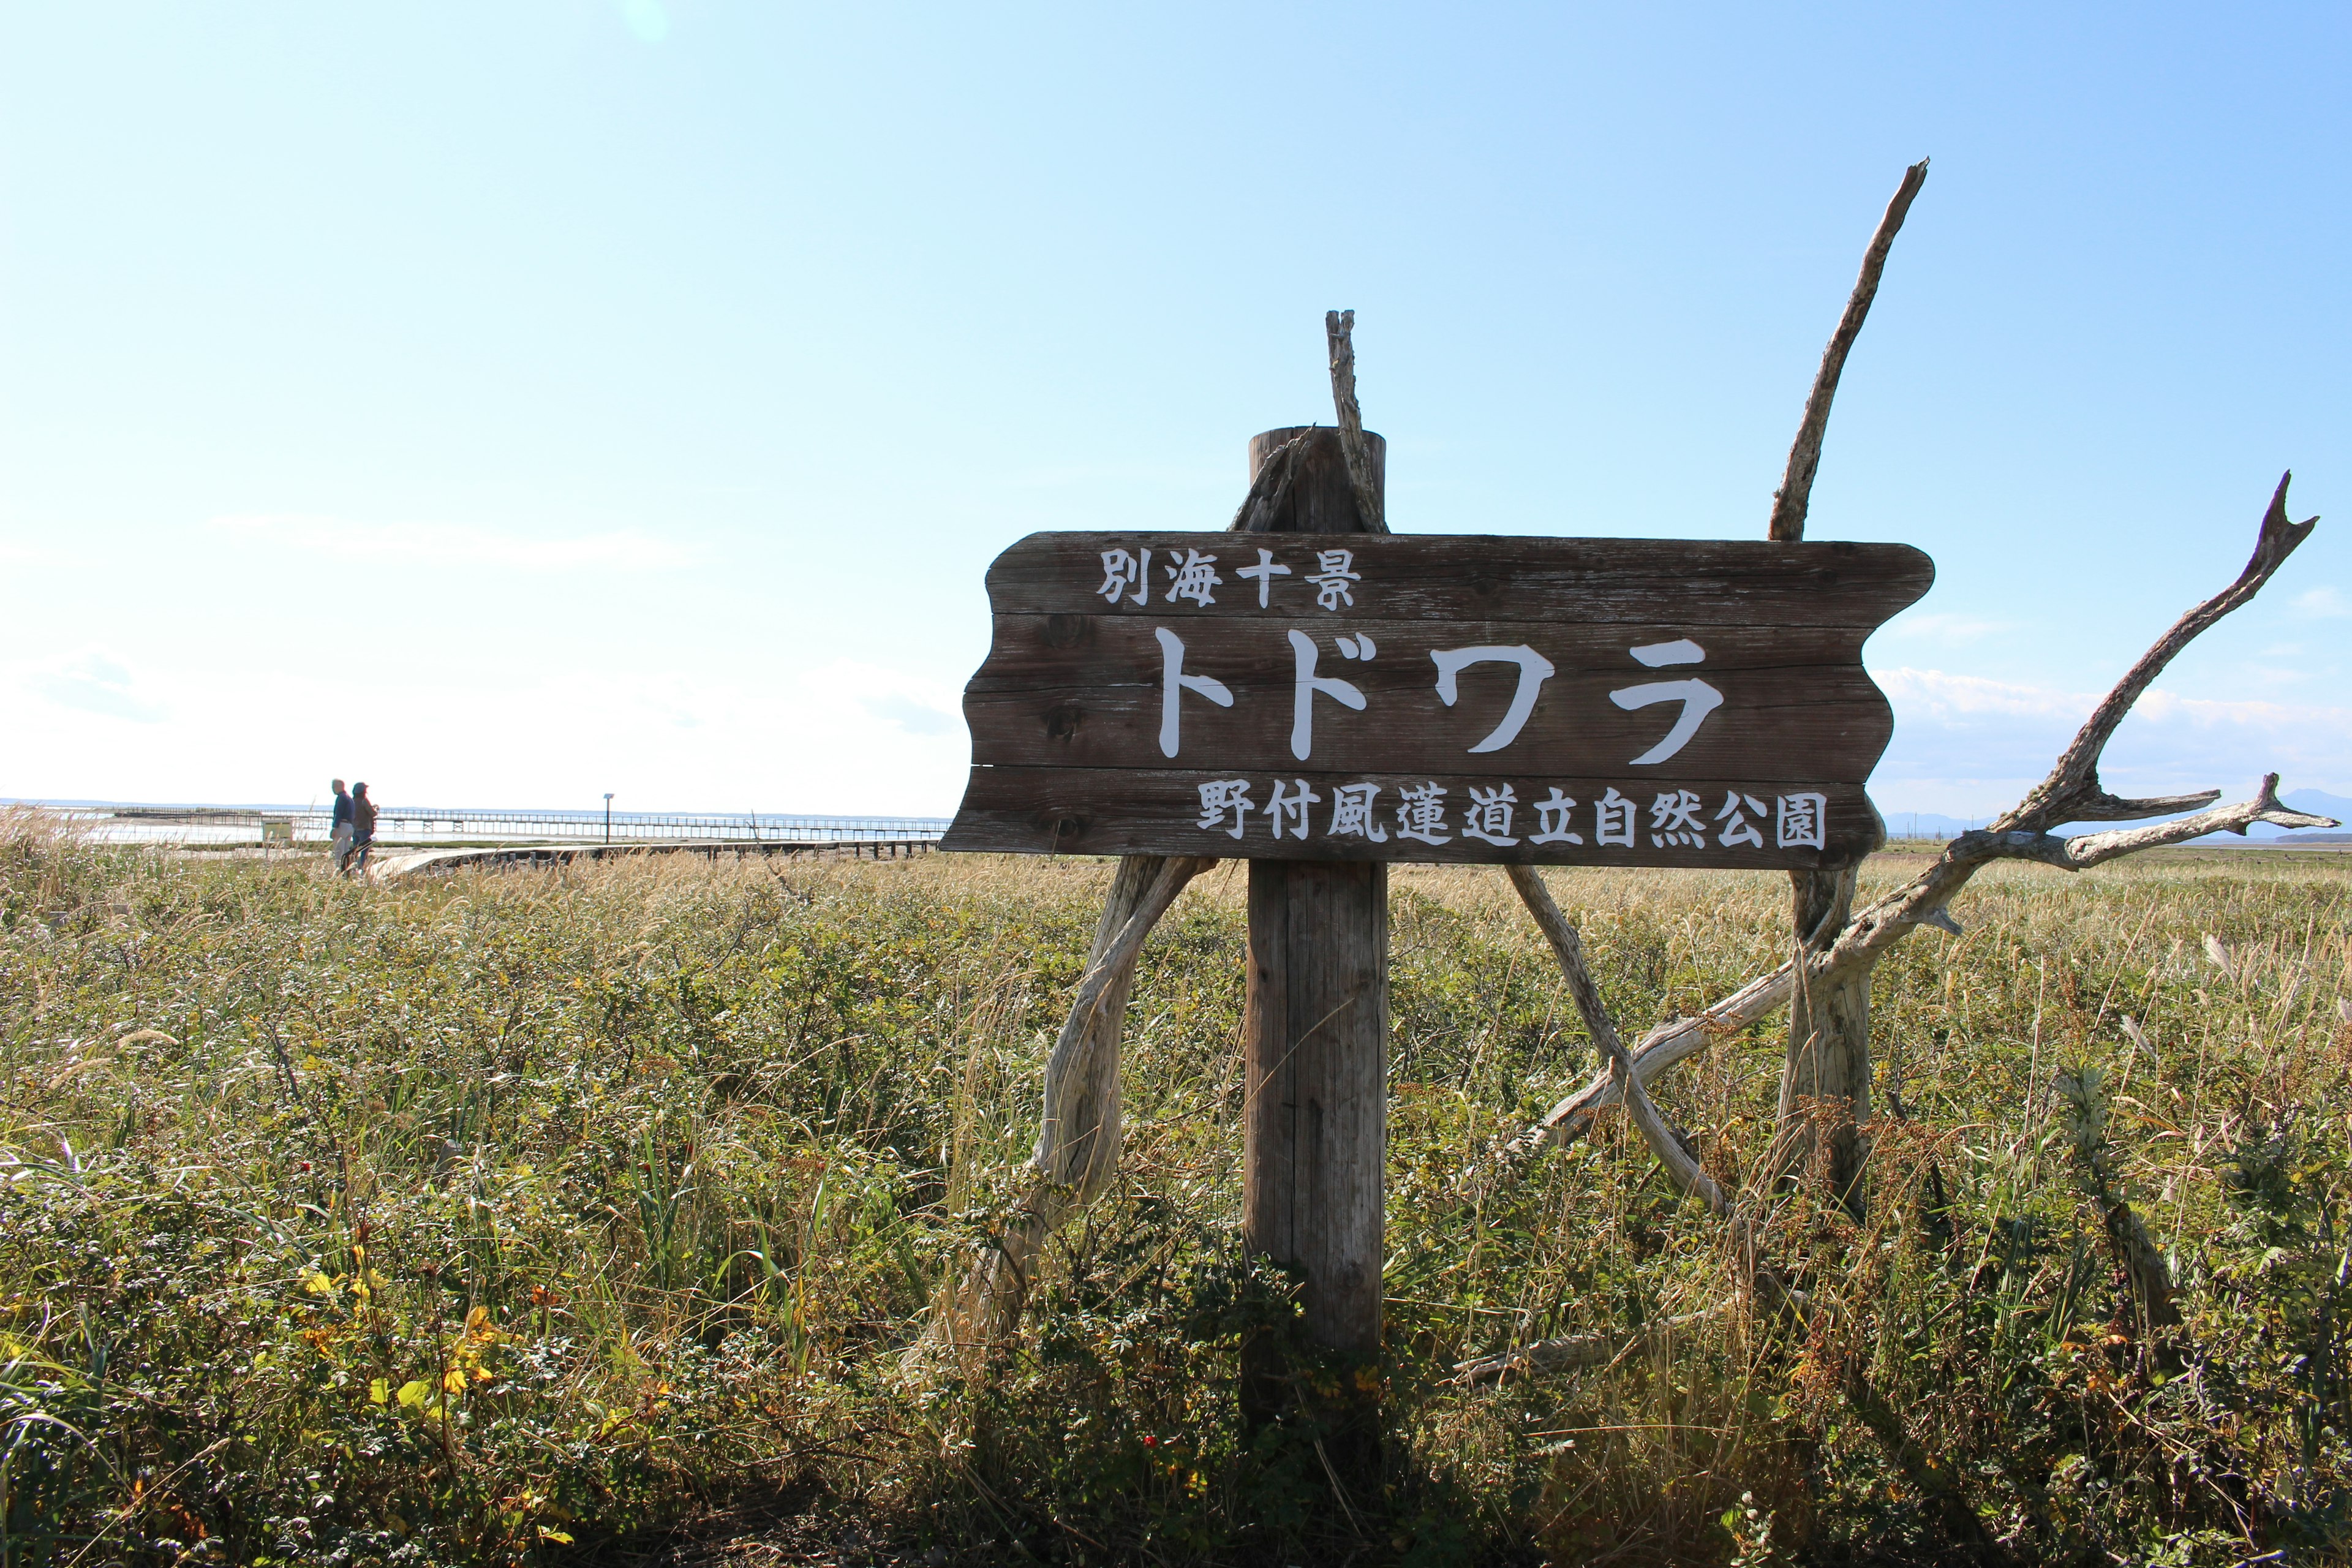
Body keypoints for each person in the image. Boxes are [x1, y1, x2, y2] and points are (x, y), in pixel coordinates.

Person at [349, 782, 378, 878]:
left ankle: (353, 866)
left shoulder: (352, 801)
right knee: (365, 849)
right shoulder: (364, 801)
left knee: (355, 848)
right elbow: (373, 814)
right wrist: (375, 809)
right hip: (365, 828)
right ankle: (362, 867)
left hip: (355, 828)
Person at [328, 779, 355, 873]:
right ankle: (346, 871)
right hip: (350, 826)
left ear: (338, 786)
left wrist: (334, 828)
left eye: (333, 787)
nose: (333, 789)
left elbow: (338, 814)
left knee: (338, 851)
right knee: (346, 851)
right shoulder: (350, 799)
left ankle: (338, 872)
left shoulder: (341, 798)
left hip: (342, 826)